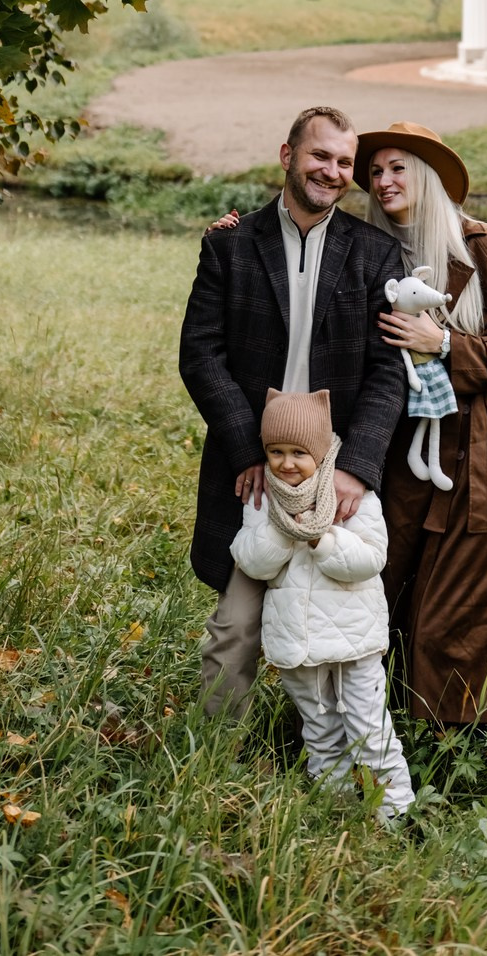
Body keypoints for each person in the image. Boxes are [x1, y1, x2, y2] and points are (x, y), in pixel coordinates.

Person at [179, 105, 405, 717]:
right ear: (288, 156)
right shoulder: (229, 245)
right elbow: (200, 356)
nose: (330, 171)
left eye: (342, 162)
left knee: (346, 621)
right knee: (236, 623)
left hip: (337, 465)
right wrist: (248, 452)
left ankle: (347, 753)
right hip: (260, 461)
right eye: (319, 156)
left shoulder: (375, 254)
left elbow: (390, 371)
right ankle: (210, 753)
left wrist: (357, 465)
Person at [353, 120, 487, 764]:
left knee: (473, 589)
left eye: (397, 168)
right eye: (375, 172)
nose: (383, 181)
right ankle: (401, 722)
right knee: (398, 578)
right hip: (405, 443)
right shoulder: (374, 251)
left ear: (427, 176)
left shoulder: (479, 246)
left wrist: (445, 345)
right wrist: (231, 234)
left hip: (483, 443)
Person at [230, 387, 415, 822]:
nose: (287, 463)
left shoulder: (352, 496)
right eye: (276, 451)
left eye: (298, 452)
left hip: (353, 639)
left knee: (369, 730)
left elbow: (371, 558)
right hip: (298, 643)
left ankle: (396, 813)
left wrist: (321, 537)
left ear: (319, 451)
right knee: (320, 731)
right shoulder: (264, 501)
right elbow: (250, 560)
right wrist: (283, 531)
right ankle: (333, 811)